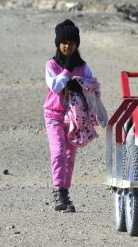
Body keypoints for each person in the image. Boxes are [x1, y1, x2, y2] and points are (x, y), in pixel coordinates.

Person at [43, 19, 93, 213]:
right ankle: (58, 190)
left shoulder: (84, 66)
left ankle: (65, 193)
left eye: (71, 42)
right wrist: (67, 70)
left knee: (70, 156)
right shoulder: (51, 64)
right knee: (58, 152)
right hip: (54, 115)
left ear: (76, 44)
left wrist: (79, 85)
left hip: (74, 117)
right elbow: (55, 87)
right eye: (64, 42)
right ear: (58, 43)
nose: (67, 46)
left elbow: (93, 87)